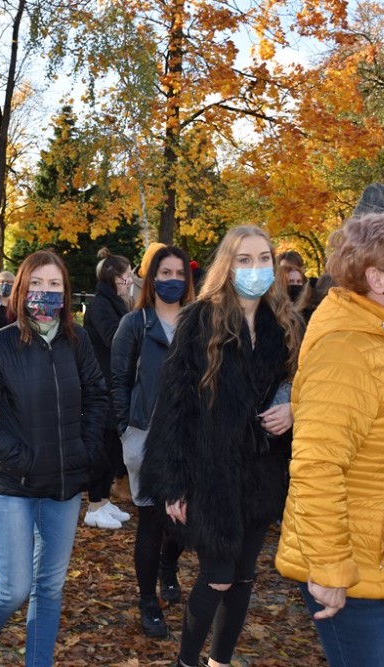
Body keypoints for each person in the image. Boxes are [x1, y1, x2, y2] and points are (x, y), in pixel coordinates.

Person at [275, 212, 384, 667]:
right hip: (354, 566)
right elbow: (317, 466)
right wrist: (329, 566)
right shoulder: (346, 351)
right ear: (377, 279)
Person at [141, 226, 302, 667]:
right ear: (228, 266)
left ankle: (220, 662)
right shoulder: (200, 320)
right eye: (244, 260)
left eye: (264, 259)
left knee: (244, 578)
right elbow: (173, 407)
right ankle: (186, 662)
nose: (256, 268)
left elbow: (307, 384)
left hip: (262, 470)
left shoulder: (286, 323)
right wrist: (173, 483)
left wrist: (293, 409)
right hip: (209, 473)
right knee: (217, 577)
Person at [0, 250, 108, 666]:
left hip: (64, 485)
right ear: (22, 290)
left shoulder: (77, 341)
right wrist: (23, 458)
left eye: (54, 284)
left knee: (50, 587)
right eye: (37, 283)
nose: (46, 291)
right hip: (13, 485)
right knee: (14, 588)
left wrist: (85, 450)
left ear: (66, 291)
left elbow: (98, 396)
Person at [111, 245, 194, 638]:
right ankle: (148, 601)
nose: (172, 280)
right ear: (152, 278)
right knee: (151, 519)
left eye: (179, 273)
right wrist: (125, 428)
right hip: (144, 434)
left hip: (190, 437)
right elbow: (119, 380)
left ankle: (168, 564)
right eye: (165, 273)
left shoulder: (199, 322)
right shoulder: (135, 324)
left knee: (182, 517)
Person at [82, 252, 134, 530]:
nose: (131, 280)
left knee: (113, 445)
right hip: (102, 385)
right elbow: (115, 338)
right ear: (115, 278)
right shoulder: (101, 305)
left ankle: (103, 500)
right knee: (102, 446)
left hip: (114, 383)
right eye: (128, 275)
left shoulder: (115, 303)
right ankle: (94, 504)